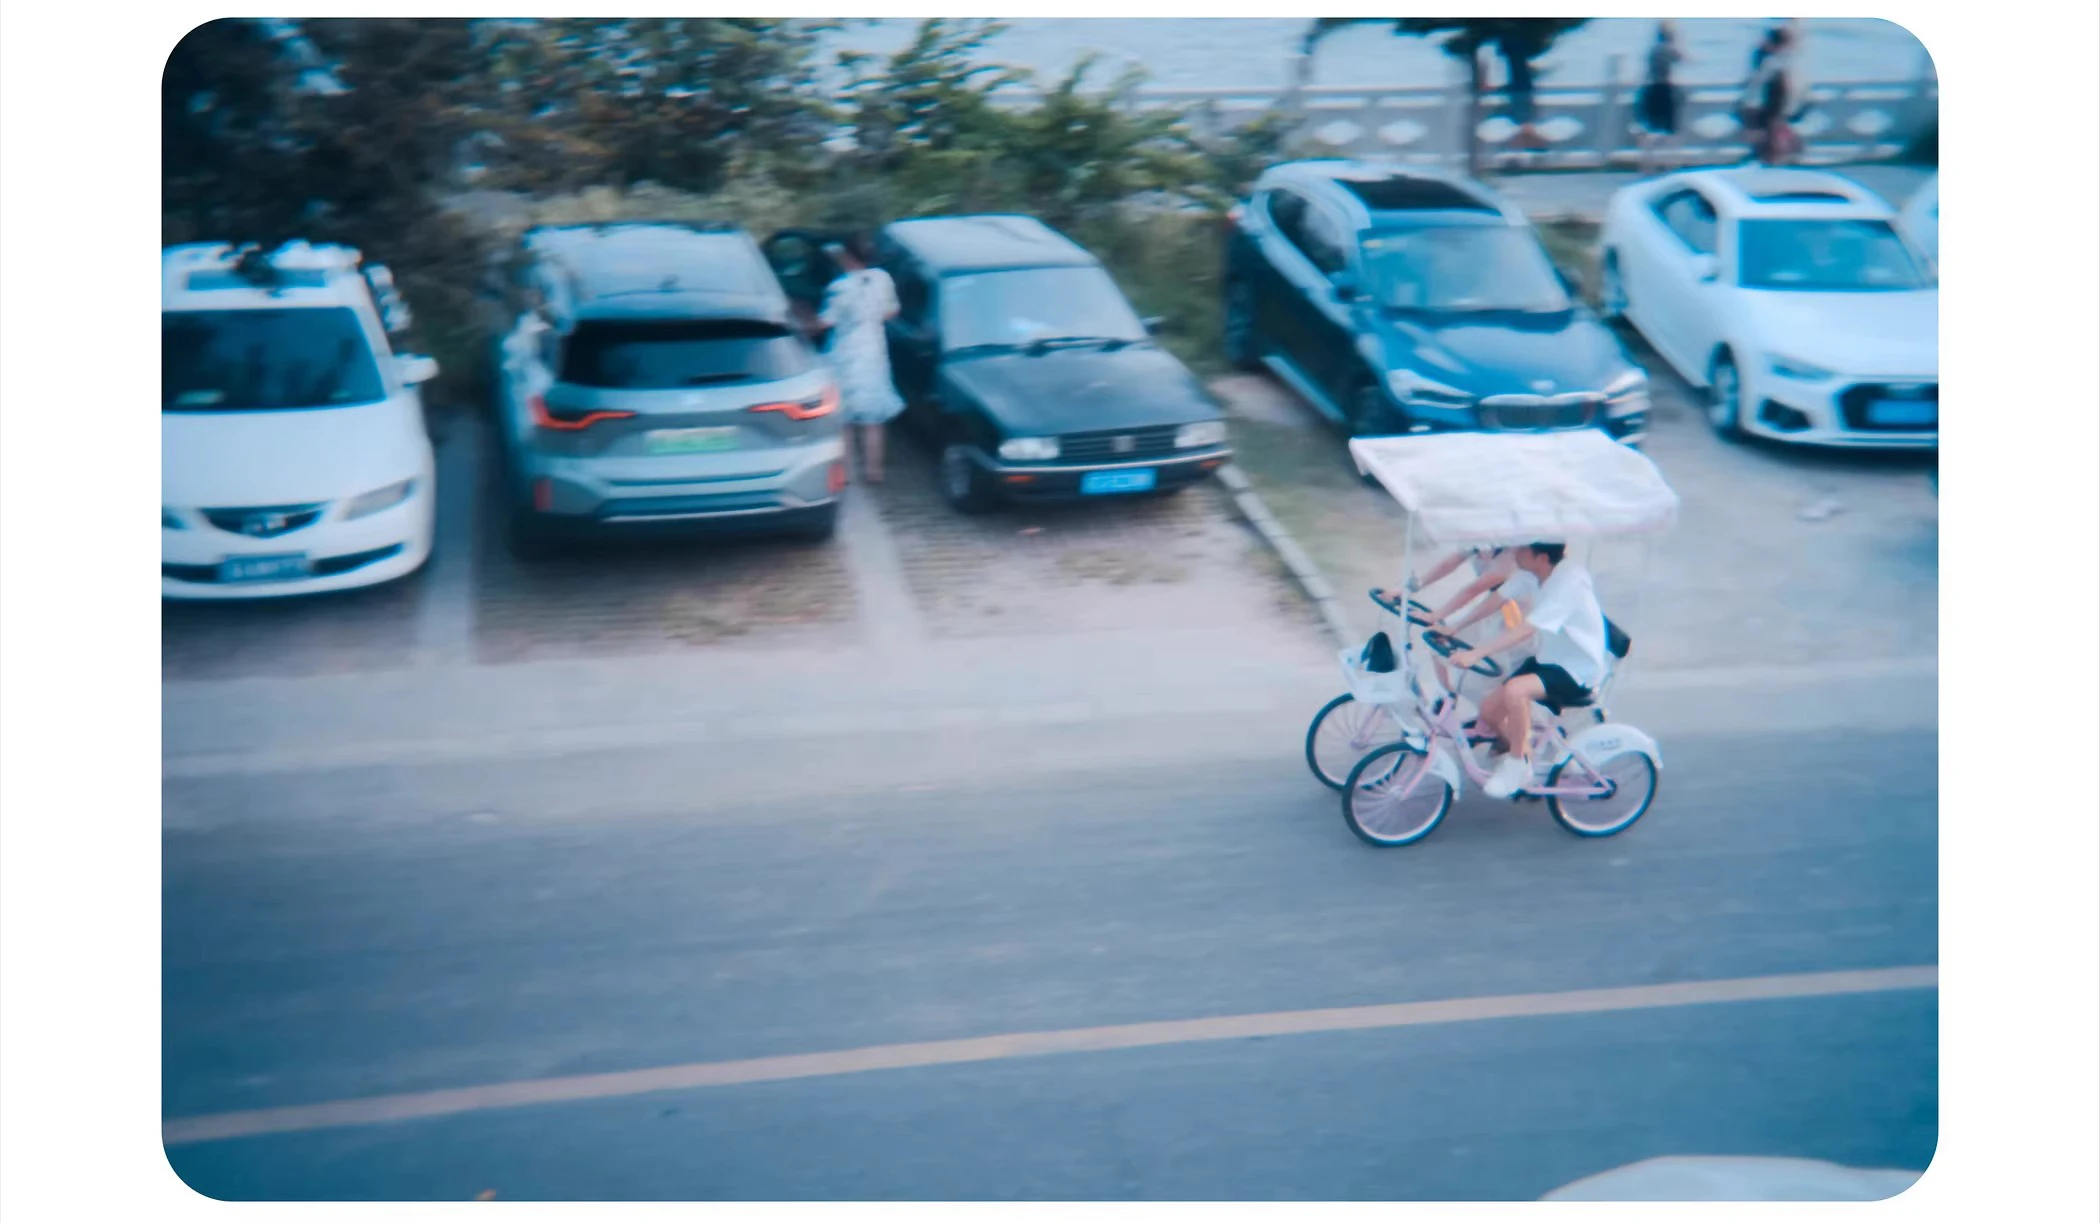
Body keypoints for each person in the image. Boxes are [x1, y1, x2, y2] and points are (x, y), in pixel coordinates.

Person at [1447, 541, 1611, 798]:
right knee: (1489, 711)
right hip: (1549, 659)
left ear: (1541, 557)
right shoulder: (1532, 574)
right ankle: (1524, 750)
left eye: (1521, 550)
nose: (1514, 553)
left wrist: (1475, 654)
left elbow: (1525, 629)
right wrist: (1452, 627)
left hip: (1577, 671)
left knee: (1516, 691)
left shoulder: (1569, 583)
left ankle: (1518, 764)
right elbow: (1496, 600)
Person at [814, 233, 906, 484]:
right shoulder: (882, 279)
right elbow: (891, 312)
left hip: (845, 353)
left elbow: (823, 323)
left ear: (846, 257)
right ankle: (874, 471)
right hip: (873, 351)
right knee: (872, 417)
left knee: (844, 417)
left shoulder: (839, 288)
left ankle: (849, 472)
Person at [1635, 21, 1685, 175]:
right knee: (1671, 131)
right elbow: (1683, 58)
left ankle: (1646, 165)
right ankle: (1671, 164)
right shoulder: (1669, 49)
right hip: (1665, 89)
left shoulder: (1652, 51)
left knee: (1650, 131)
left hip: (1650, 89)